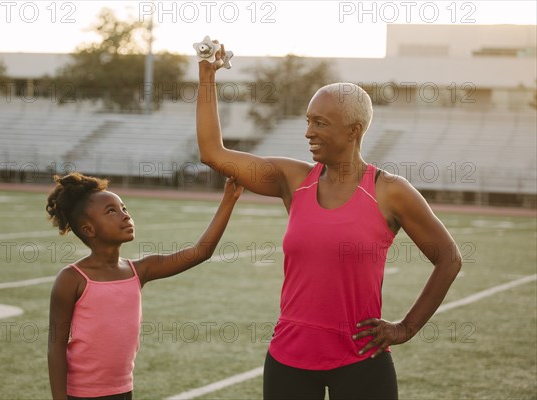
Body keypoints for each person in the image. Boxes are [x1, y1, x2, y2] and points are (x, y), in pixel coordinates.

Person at [196, 42, 462, 399]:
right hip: (288, 359)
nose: (308, 132)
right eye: (308, 121)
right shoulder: (293, 180)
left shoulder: (390, 191)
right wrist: (206, 76)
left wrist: (405, 328)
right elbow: (213, 154)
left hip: (361, 361)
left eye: (320, 123)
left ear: (353, 130)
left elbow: (449, 258)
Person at [46, 172, 242, 400]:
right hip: (81, 395)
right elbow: (56, 347)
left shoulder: (140, 270)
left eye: (124, 208)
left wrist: (230, 198)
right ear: (89, 229)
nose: (125, 216)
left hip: (122, 390)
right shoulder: (71, 279)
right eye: (111, 211)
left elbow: (201, 252)